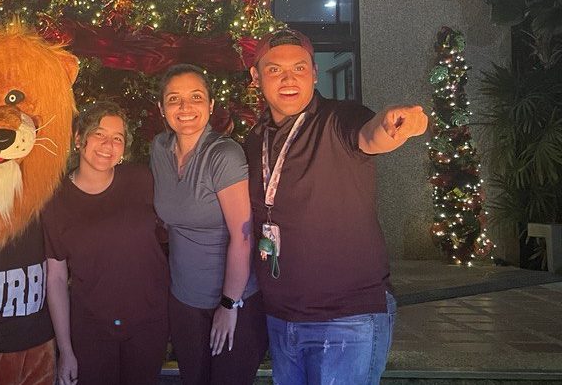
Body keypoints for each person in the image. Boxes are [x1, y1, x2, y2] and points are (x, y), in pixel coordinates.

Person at [244, 28, 429, 385]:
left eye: (299, 69)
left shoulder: (338, 119)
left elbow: (369, 135)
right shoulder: (256, 137)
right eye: (274, 70)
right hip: (282, 319)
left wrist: (394, 126)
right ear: (256, 77)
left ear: (314, 73)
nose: (288, 79)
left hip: (346, 319)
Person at [150, 64, 268, 385]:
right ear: (161, 108)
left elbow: (241, 237)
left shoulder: (223, 155)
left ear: (211, 105)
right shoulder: (158, 150)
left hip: (233, 302)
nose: (185, 107)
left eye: (196, 97)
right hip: (184, 301)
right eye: (174, 99)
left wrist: (229, 305)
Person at [42, 101, 169, 385]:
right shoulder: (56, 200)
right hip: (91, 328)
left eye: (117, 138)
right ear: (78, 139)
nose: (107, 144)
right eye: (99, 134)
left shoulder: (143, 180)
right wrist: (66, 350)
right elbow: (56, 278)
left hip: (149, 322)